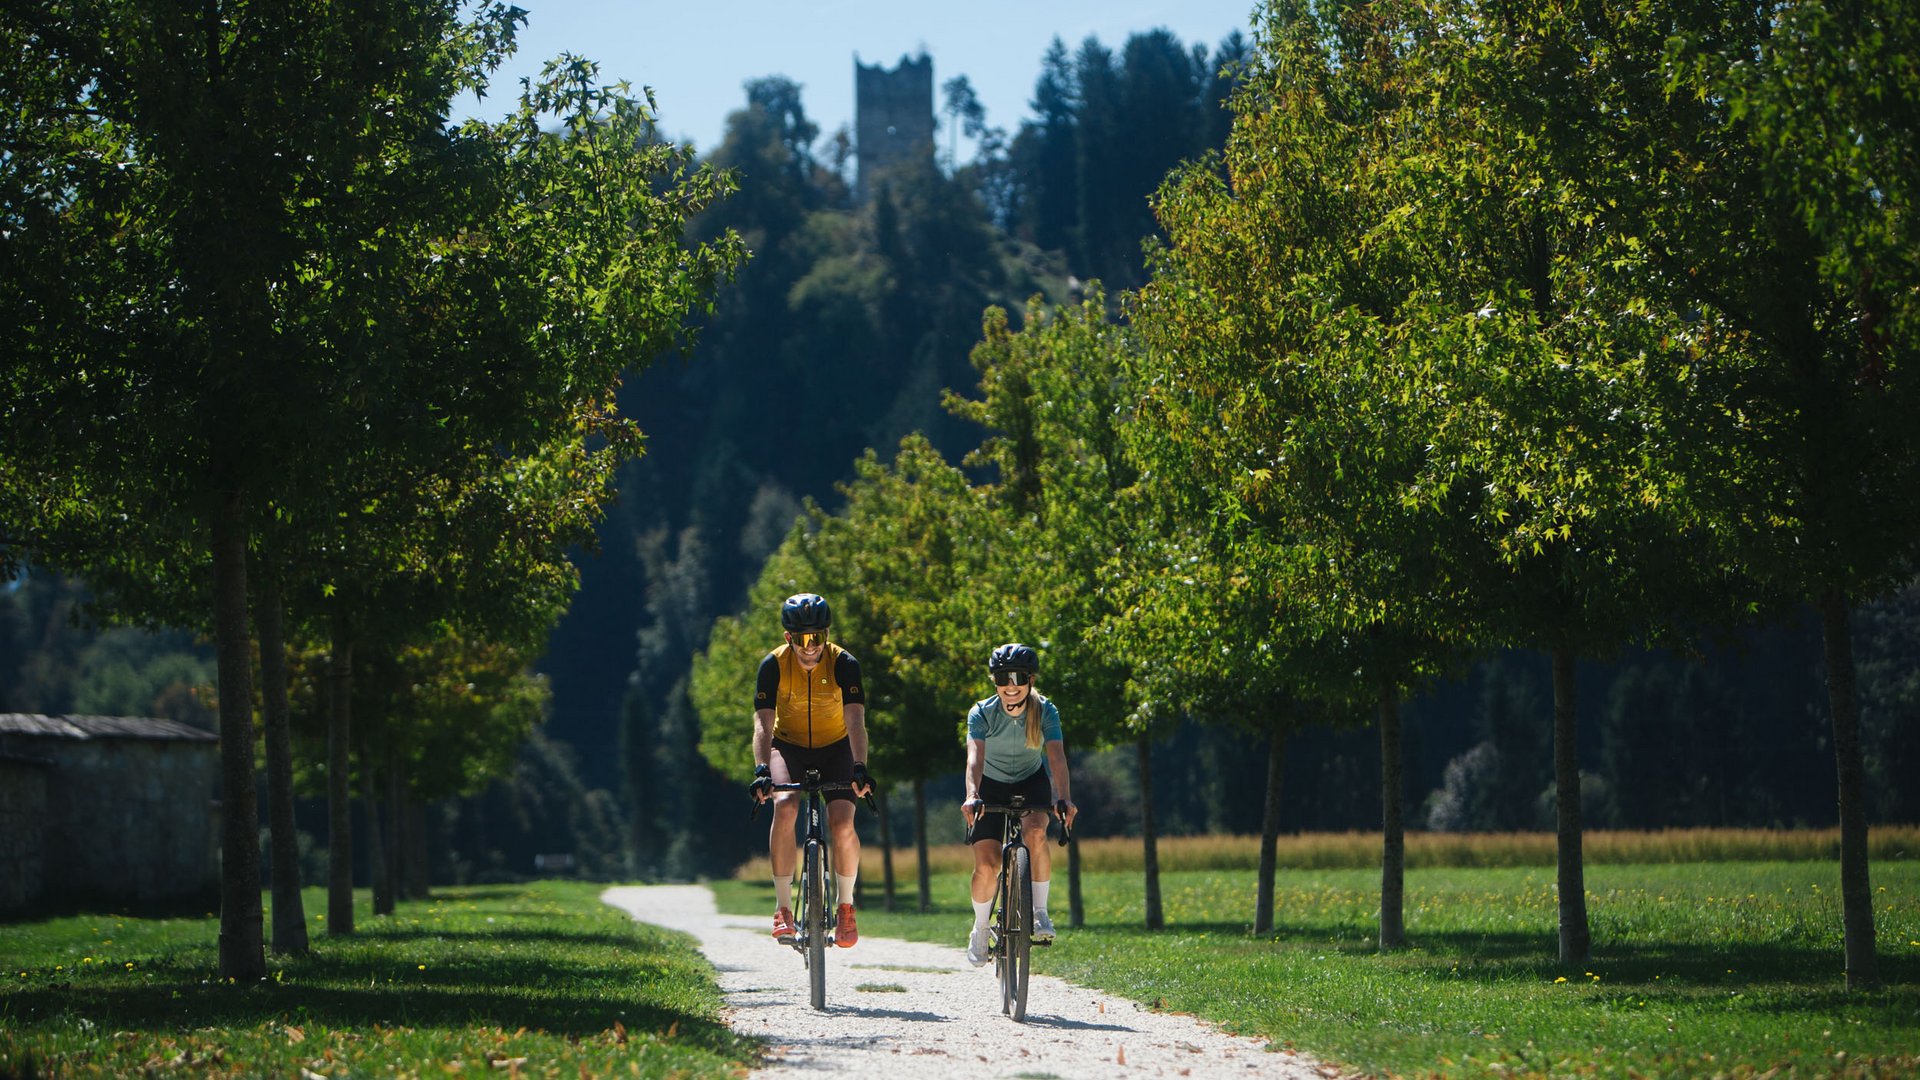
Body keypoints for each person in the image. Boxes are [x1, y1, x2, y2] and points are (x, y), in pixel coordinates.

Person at [748, 592, 874, 948]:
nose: (810, 647)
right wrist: (762, 769)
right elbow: (763, 724)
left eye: (817, 637)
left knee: (843, 823)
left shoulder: (844, 663)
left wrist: (860, 766)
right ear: (789, 638)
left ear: (826, 634)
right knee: (785, 805)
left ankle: (846, 906)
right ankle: (783, 908)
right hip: (788, 746)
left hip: (836, 747)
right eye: (802, 639)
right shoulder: (772, 665)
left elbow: (856, 720)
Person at [960, 642, 1078, 966]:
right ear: (994, 682)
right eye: (1003, 679)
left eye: (1019, 678)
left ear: (1031, 680)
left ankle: (1039, 912)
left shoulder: (1045, 711)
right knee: (987, 865)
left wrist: (1064, 796)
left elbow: (1056, 757)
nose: (1011, 686)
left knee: (1036, 832)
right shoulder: (982, 712)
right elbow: (974, 758)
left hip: (1030, 780)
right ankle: (981, 927)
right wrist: (972, 794)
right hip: (990, 785)